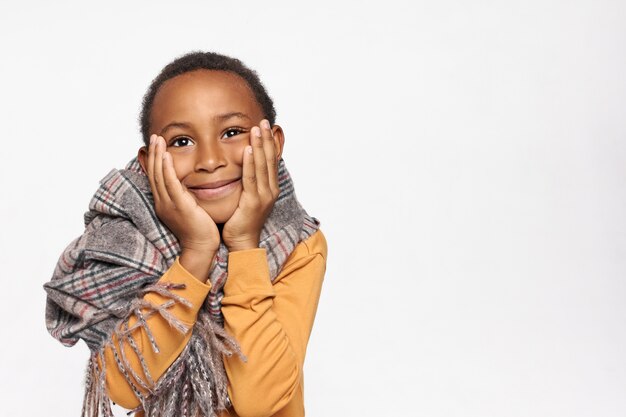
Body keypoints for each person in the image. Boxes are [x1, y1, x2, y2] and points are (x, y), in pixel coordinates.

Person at [43, 51, 327, 417]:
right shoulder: (123, 241)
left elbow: (261, 400)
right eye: (181, 142)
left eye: (231, 132)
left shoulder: (299, 244)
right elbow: (125, 388)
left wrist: (243, 246)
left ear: (273, 142)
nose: (210, 160)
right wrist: (195, 255)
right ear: (148, 163)